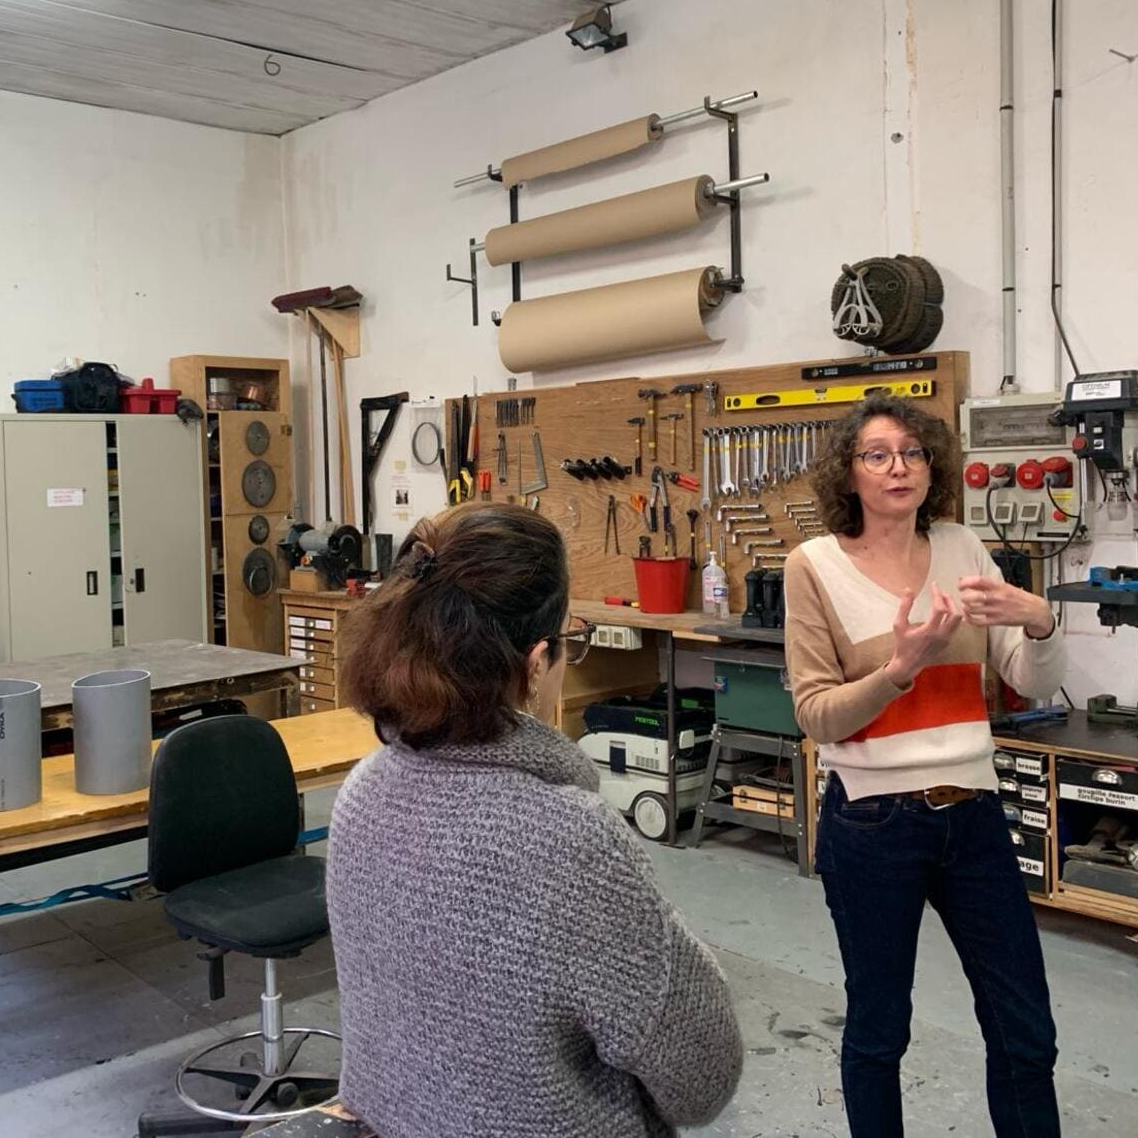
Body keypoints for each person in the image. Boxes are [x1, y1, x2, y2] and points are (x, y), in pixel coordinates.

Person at [327, 503, 743, 1138]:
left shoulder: (364, 790)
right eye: (567, 648)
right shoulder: (566, 839)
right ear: (533, 662)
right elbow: (702, 1078)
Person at [784, 394, 1065, 1138]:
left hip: (972, 812)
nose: (897, 467)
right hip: (874, 822)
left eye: (911, 451)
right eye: (876, 454)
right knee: (879, 1034)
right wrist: (899, 670)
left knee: (1026, 1030)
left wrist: (1039, 619)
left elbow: (1028, 680)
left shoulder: (962, 547)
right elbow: (814, 715)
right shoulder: (813, 566)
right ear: (847, 474)